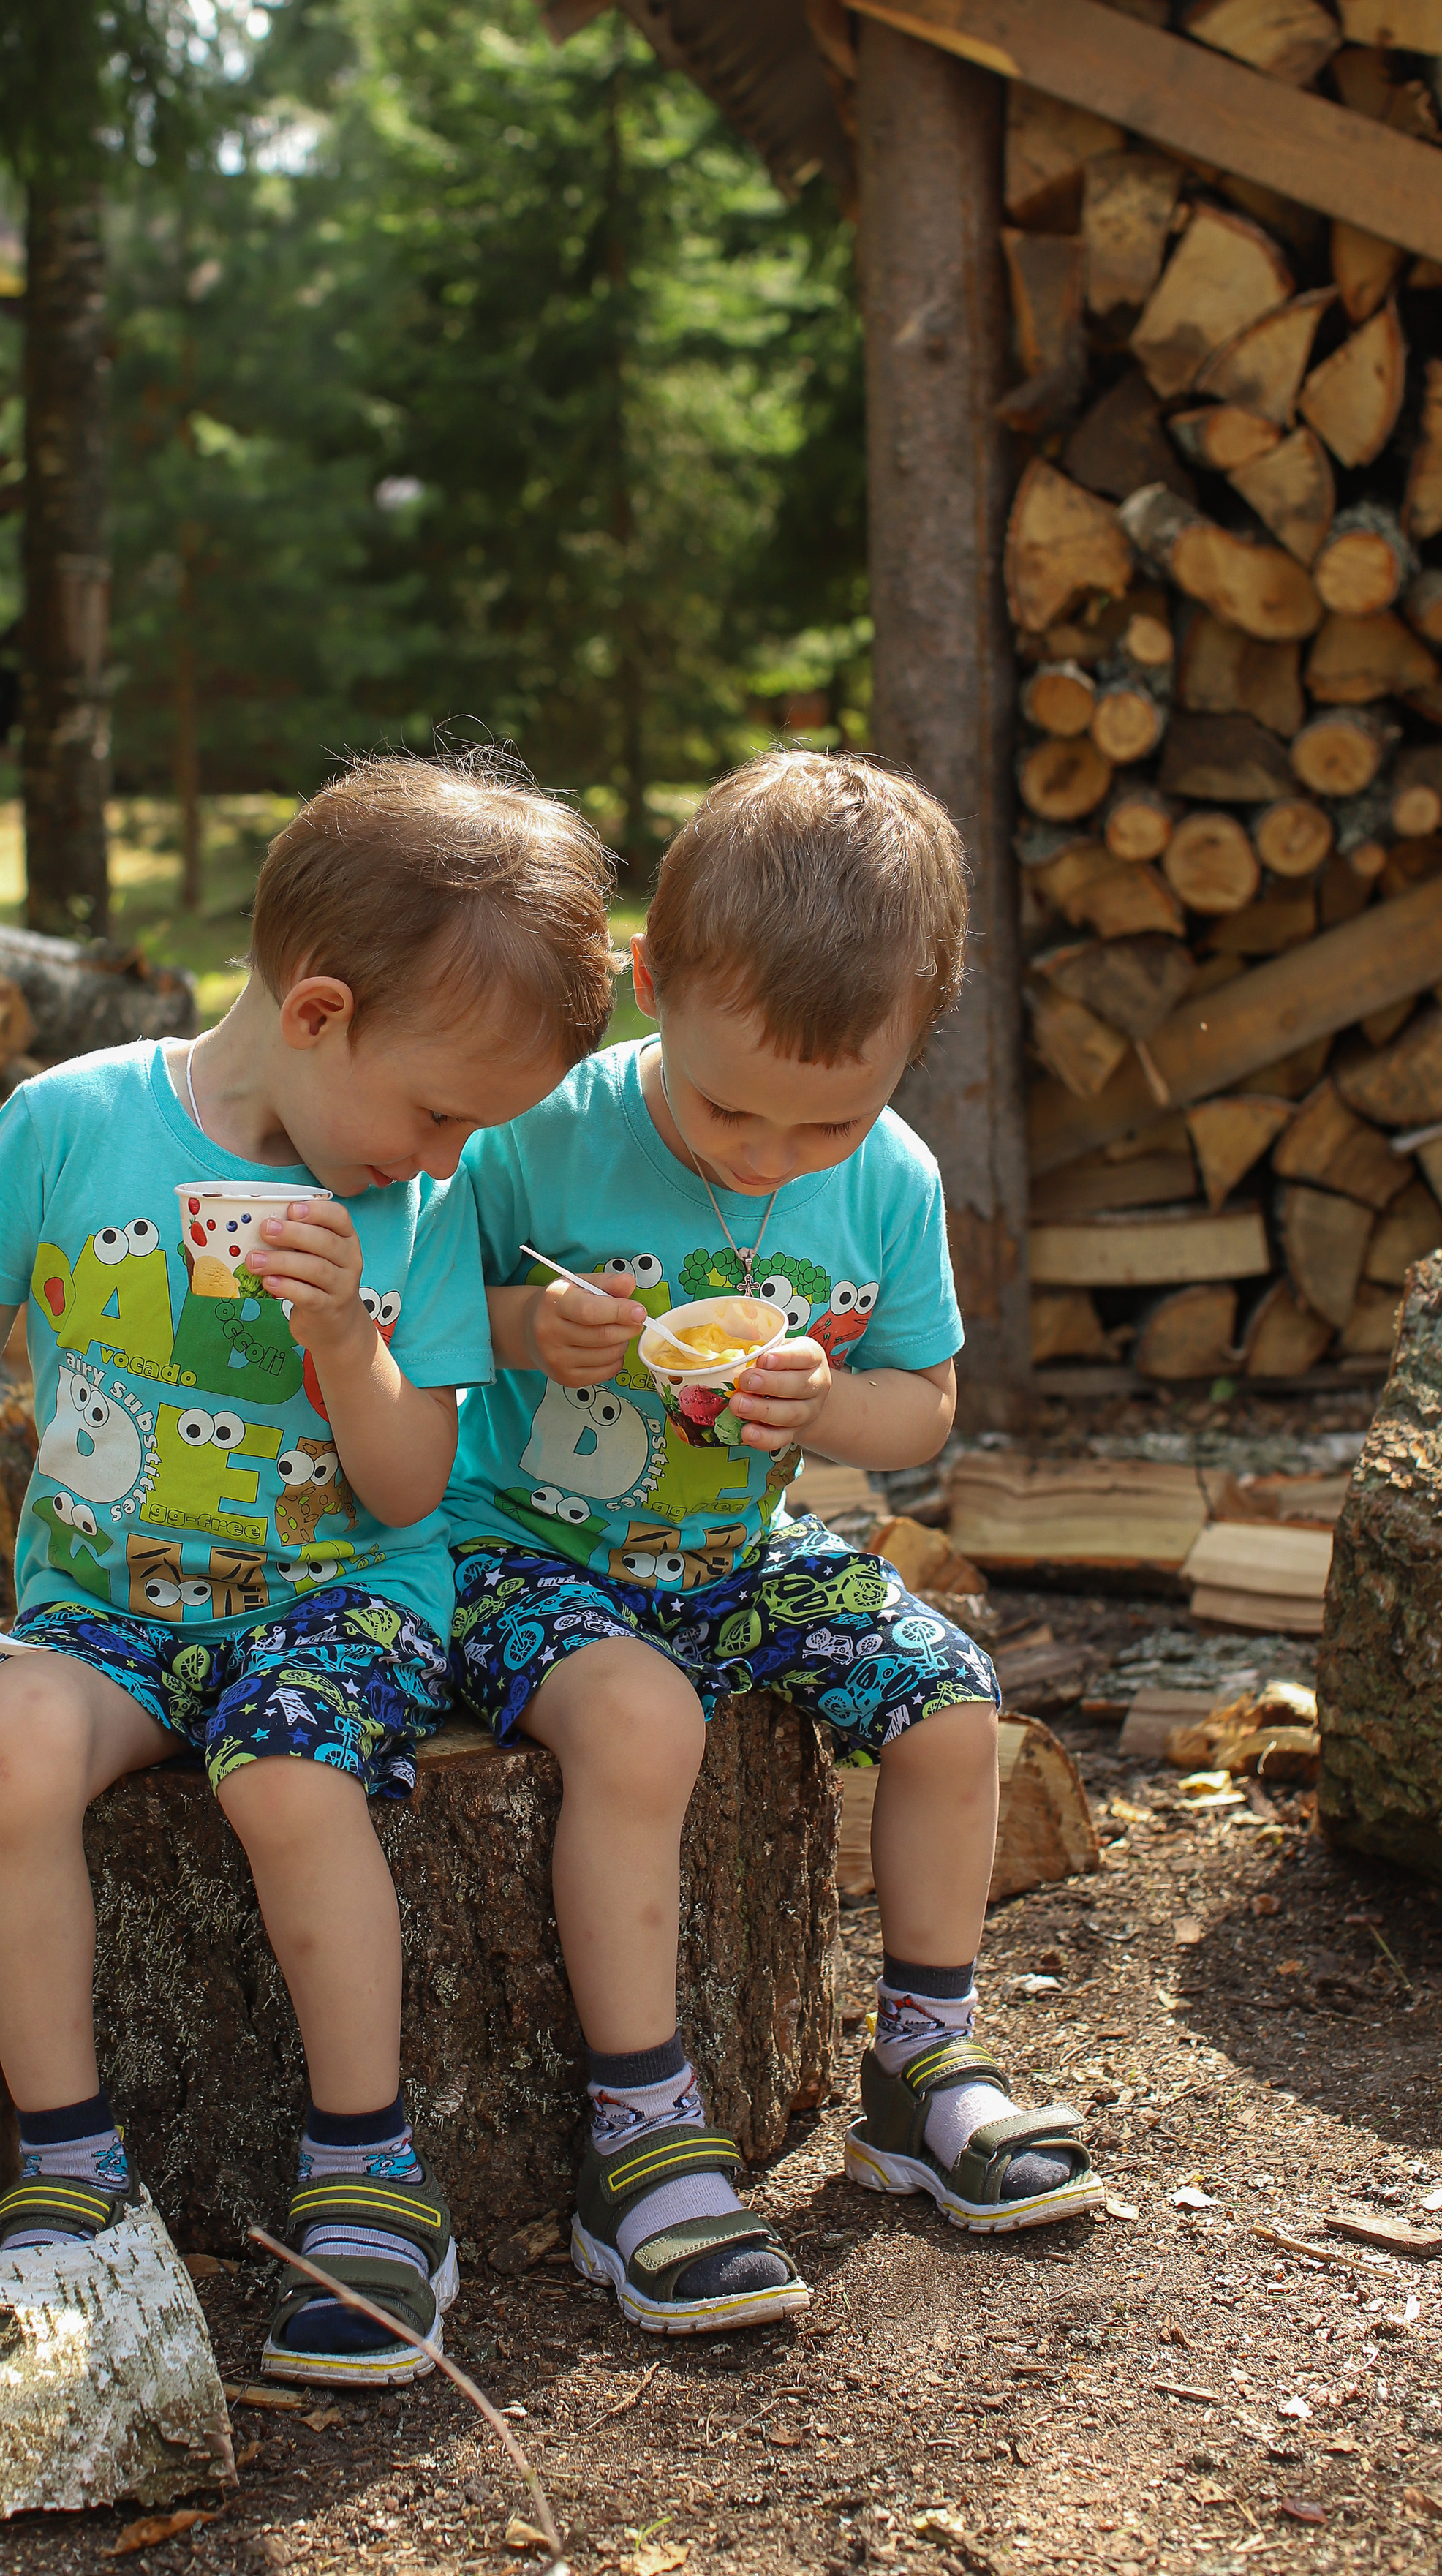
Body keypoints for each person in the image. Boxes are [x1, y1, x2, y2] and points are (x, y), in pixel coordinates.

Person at [0, 750, 616, 2389]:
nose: (443, 1151)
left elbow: (409, 1481)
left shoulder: (415, 1205)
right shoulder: (71, 1123)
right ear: (316, 1013)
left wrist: (344, 1337)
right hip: (107, 1608)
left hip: (343, 1600)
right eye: (438, 1108)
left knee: (280, 1769)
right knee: (2, 1742)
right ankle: (66, 2157)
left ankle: (368, 2169)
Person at [444, 750, 1103, 2338]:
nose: (761, 1156)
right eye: (730, 1104)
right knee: (642, 1722)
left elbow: (922, 1413)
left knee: (947, 1700)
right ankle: (642, 2130)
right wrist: (534, 1323)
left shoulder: (886, 1178)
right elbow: (407, 1339)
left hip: (733, 1559)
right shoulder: (534, 1136)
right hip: (514, 1556)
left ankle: (922, 2058)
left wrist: (820, 1409)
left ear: (905, 1048)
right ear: (646, 981)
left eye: (823, 1120)